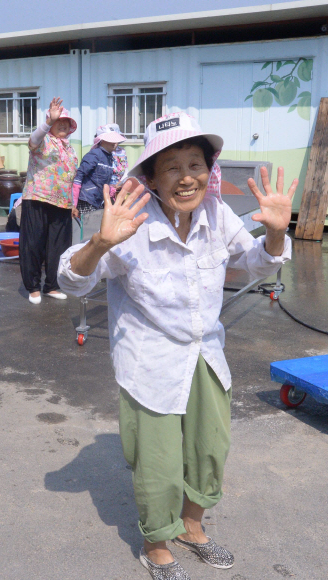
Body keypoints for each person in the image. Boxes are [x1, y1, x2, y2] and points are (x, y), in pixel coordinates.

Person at [58, 112, 296, 580]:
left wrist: (273, 233)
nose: (186, 178)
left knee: (210, 450)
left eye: (195, 164)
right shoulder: (131, 225)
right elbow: (72, 280)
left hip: (206, 353)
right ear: (150, 177)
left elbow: (253, 263)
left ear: (209, 171)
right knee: (160, 464)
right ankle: (156, 544)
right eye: (171, 168)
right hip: (150, 361)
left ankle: (192, 526)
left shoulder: (215, 213)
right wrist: (100, 244)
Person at [20, 97, 78, 305]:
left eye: (66, 122)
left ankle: (52, 285)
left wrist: (74, 203)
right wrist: (46, 123)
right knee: (33, 244)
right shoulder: (43, 140)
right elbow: (32, 141)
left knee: (59, 247)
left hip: (62, 203)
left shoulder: (69, 149)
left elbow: (72, 177)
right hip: (38, 198)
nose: (62, 124)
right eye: (58, 121)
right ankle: (33, 286)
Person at [72, 124, 126, 215]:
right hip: (87, 200)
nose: (115, 143)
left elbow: (102, 181)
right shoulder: (94, 155)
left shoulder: (109, 157)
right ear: (101, 141)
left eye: (116, 140)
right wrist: (74, 203)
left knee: (97, 228)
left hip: (99, 201)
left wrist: (113, 188)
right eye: (111, 140)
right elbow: (78, 177)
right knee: (89, 228)